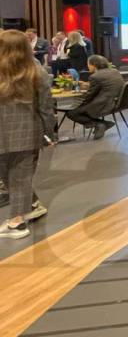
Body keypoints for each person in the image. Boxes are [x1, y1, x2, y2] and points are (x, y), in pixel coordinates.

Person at [0, 30, 55, 239]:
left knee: (9, 177)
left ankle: (18, 220)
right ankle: (19, 220)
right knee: (20, 177)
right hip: (28, 132)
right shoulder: (37, 72)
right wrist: (49, 134)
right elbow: (46, 108)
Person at [66, 55, 125, 140]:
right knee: (79, 109)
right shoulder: (114, 71)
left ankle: (99, 124)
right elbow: (105, 85)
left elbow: (89, 96)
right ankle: (104, 124)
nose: (88, 66)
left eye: (88, 64)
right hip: (118, 103)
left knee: (72, 113)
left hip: (103, 105)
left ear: (93, 64)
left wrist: (79, 104)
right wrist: (87, 85)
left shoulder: (95, 76)